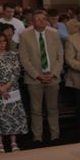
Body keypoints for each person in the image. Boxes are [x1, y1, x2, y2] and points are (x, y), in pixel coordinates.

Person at [18, 10, 65, 145]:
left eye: (44, 19)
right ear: (32, 21)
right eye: (38, 19)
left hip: (53, 77)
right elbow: (24, 59)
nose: (41, 21)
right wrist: (38, 75)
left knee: (53, 108)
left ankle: (55, 136)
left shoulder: (54, 34)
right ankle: (37, 137)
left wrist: (54, 73)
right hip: (34, 79)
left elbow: (60, 56)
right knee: (36, 110)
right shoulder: (25, 35)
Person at [0, 30, 28, 153]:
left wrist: (6, 87)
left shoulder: (13, 55)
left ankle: (13, 142)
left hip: (11, 90)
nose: (2, 44)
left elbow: (16, 72)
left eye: (4, 41)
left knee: (12, 116)